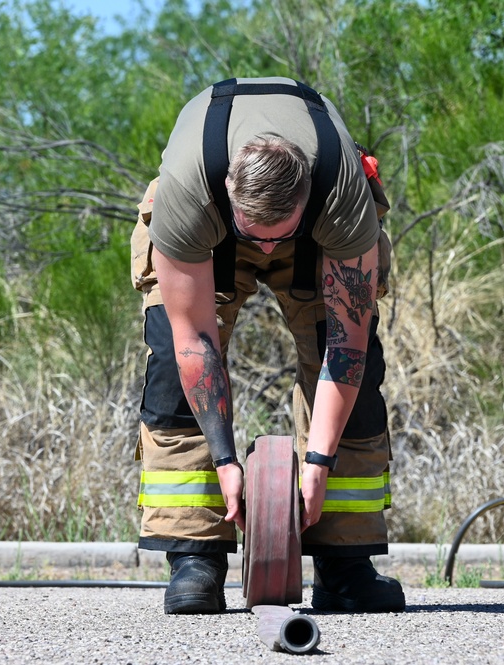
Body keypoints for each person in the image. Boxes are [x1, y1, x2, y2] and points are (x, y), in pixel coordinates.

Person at [130, 76, 403, 614]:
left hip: (319, 230)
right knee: (172, 370)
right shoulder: (189, 198)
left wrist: (319, 462)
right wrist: (228, 462)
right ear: (230, 195)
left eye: (279, 235)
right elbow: (195, 344)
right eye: (259, 234)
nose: (268, 248)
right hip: (209, 229)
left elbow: (344, 353)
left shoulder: (344, 200)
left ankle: (344, 565)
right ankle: (196, 558)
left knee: (360, 366)